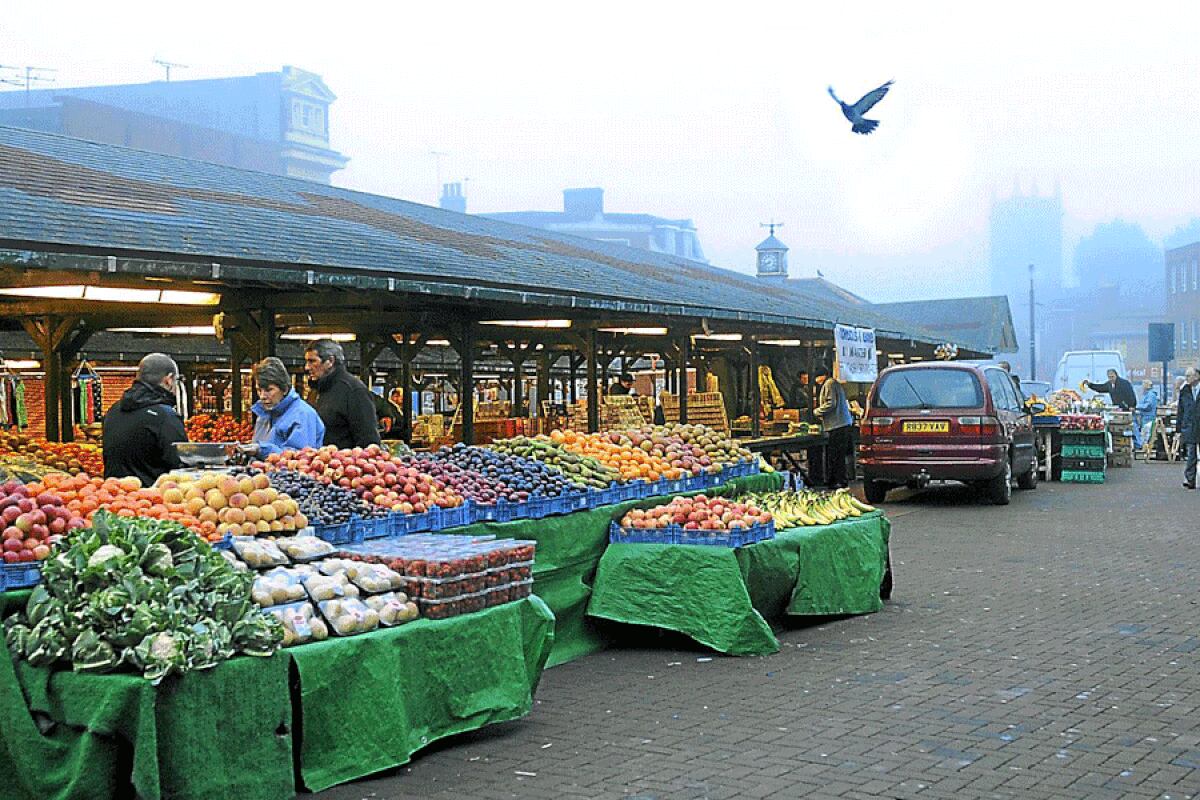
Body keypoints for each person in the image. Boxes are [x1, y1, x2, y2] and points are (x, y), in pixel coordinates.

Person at [102, 353, 188, 486]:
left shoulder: (114, 410)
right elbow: (180, 463)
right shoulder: (165, 416)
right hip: (150, 500)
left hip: (114, 495)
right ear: (169, 380)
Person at [304, 339, 383, 450]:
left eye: (312, 361)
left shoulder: (354, 391)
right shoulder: (316, 390)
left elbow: (369, 442)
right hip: (317, 462)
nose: (307, 367)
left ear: (330, 361)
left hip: (344, 464)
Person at [239, 357, 325, 457]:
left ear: (284, 389)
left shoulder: (303, 415)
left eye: (269, 390)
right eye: (259, 390)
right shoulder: (263, 415)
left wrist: (261, 450)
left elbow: (300, 457)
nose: (262, 396)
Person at [813, 365, 853, 489]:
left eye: (816, 377)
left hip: (838, 425)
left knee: (836, 455)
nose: (816, 380)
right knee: (837, 455)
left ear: (822, 375)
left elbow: (831, 403)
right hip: (841, 423)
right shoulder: (833, 383)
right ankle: (837, 480)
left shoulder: (829, 384)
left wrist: (817, 411)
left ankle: (840, 481)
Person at [1180, 368, 1200, 490]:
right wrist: (1179, 428)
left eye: (1189, 376)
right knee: (1191, 454)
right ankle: (1190, 479)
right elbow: (1180, 410)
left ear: (1197, 376)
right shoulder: (1185, 391)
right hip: (1190, 426)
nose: (1186, 378)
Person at [1133, 379, 1159, 450]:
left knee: (1146, 436)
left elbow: (1148, 405)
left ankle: (1144, 448)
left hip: (1148, 418)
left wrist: (1137, 407)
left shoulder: (1151, 395)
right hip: (1145, 418)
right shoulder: (1147, 395)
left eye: (1143, 385)